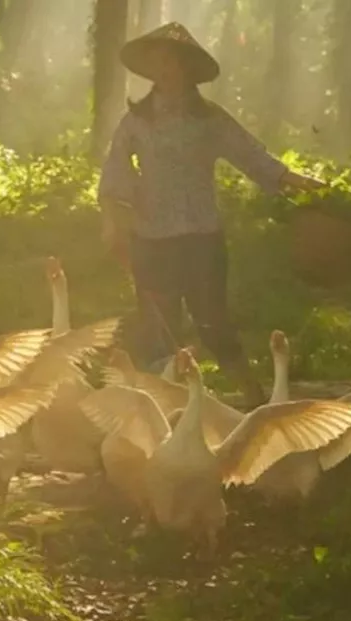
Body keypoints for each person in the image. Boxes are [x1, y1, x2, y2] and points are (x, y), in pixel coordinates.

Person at [97, 22, 325, 408]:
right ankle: (164, 409)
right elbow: (115, 172)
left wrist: (288, 176)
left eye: (172, 61)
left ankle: (255, 401)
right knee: (158, 327)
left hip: (201, 235)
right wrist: (113, 217)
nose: (165, 69)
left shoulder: (210, 119)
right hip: (151, 238)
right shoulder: (136, 121)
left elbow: (249, 153)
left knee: (213, 320)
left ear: (187, 69)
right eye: (158, 62)